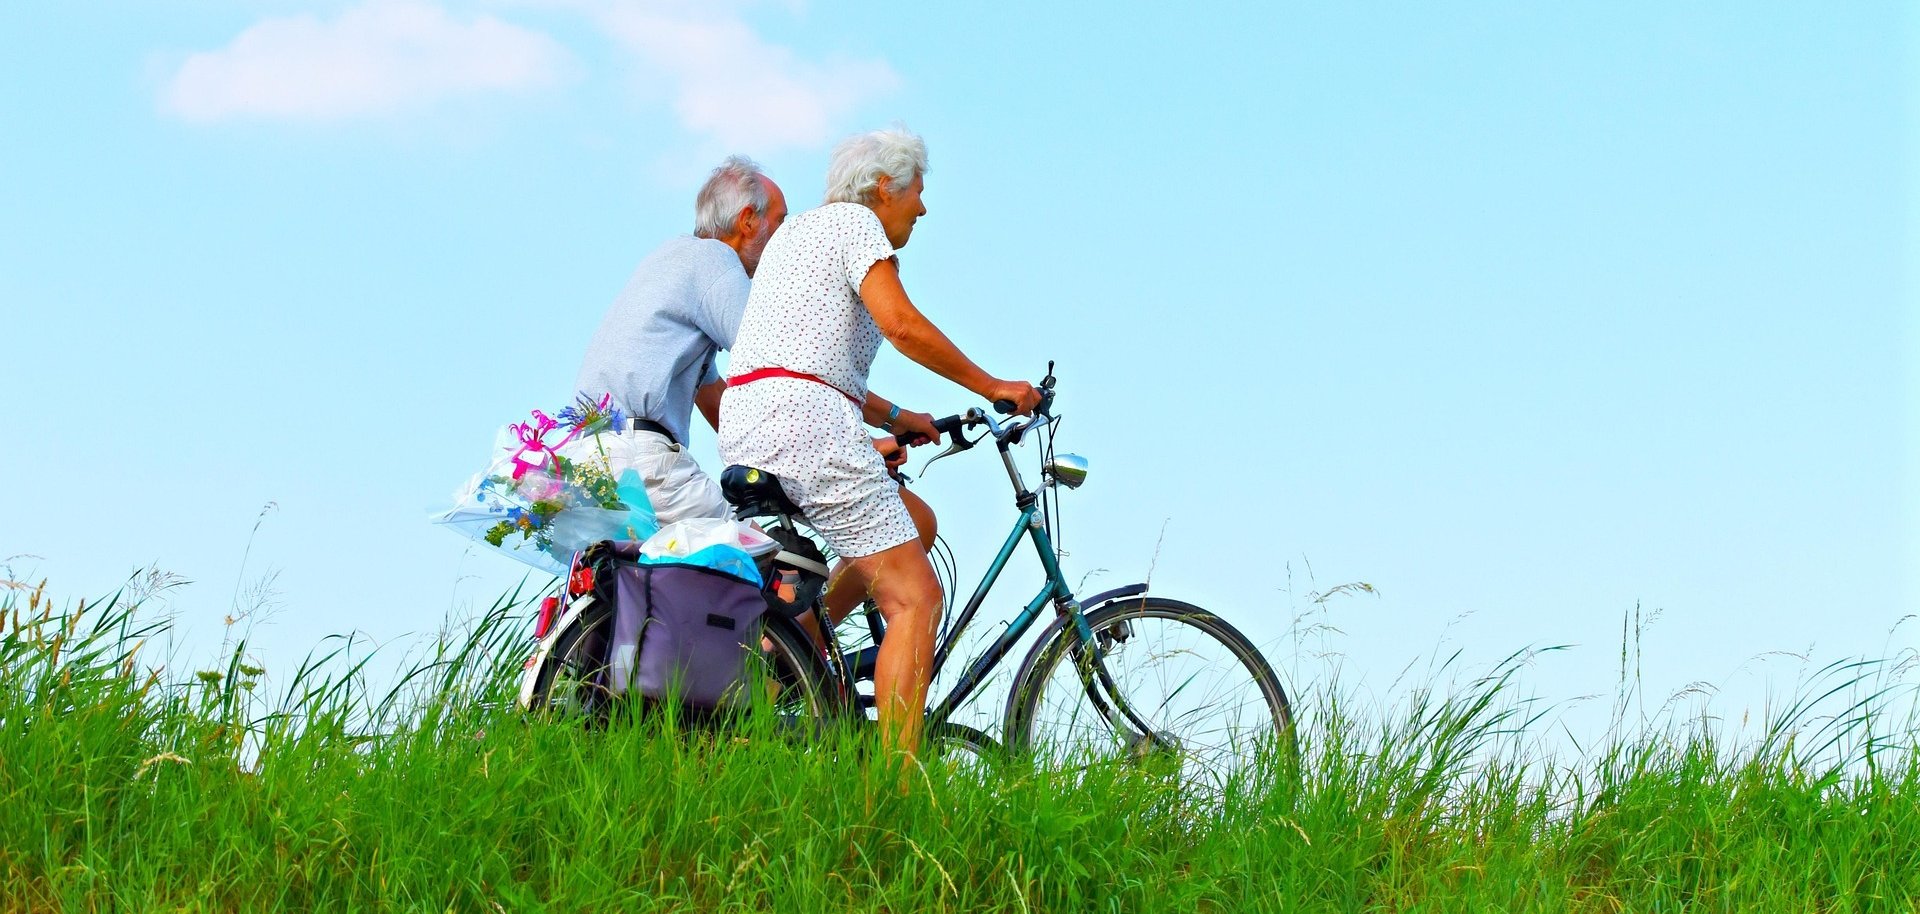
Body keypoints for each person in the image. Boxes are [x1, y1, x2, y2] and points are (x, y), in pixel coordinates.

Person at [718, 126, 1041, 760]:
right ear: (885, 187)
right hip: (805, 422)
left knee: (914, 520)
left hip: (755, 418)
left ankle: (796, 649)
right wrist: (992, 384)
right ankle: (893, 793)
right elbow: (899, 323)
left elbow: (801, 355)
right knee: (915, 597)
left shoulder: (799, 235)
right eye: (918, 192)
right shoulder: (857, 225)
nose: (922, 208)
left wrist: (895, 417)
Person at [572, 156, 787, 526]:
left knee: (650, 578)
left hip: (588, 460)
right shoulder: (716, 261)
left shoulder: (671, 258)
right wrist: (850, 446)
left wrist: (782, 459)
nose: (785, 239)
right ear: (748, 219)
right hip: (640, 459)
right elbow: (783, 364)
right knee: (765, 560)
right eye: (781, 222)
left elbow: (712, 396)